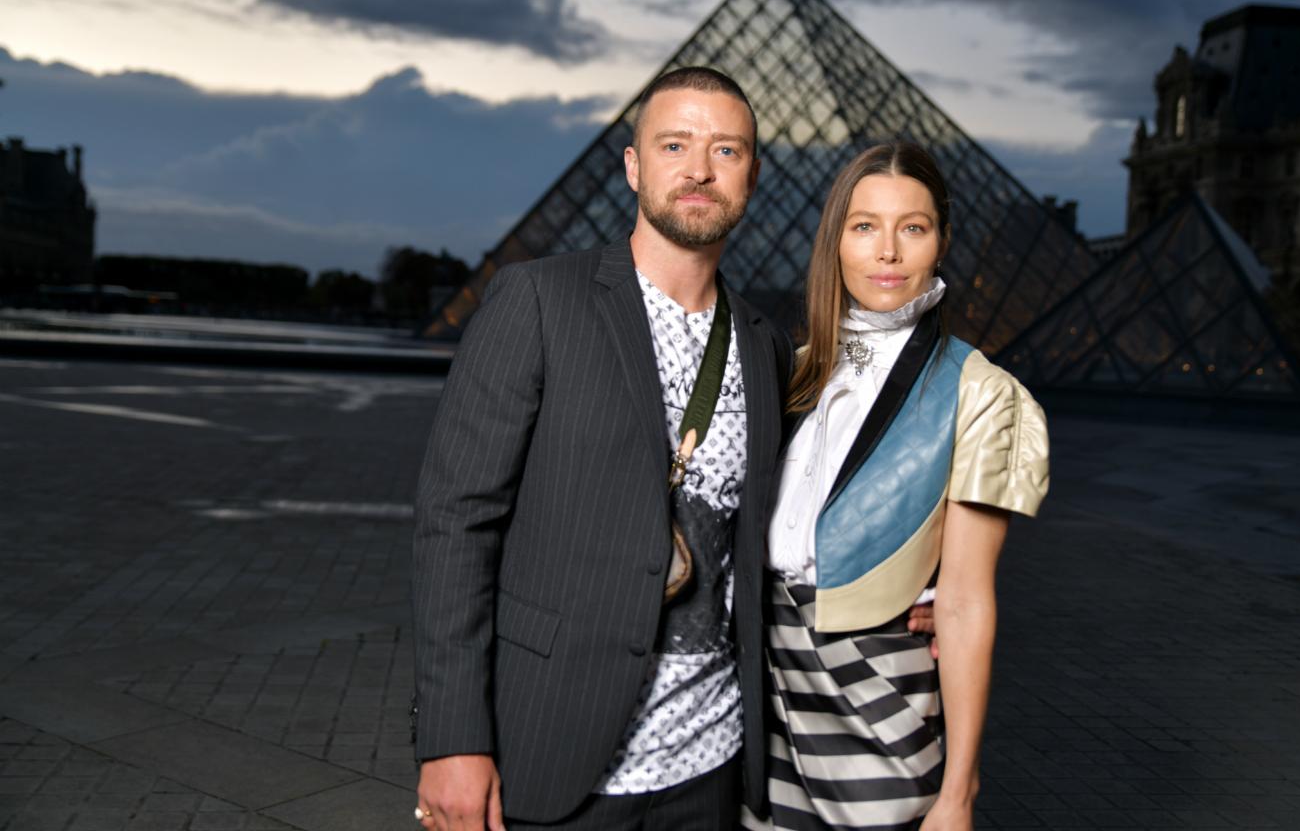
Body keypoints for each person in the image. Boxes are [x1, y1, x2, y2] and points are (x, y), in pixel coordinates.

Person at [410, 66, 789, 831]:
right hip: (553, 755)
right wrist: (451, 737)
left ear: (751, 174)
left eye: (727, 150)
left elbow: (777, 536)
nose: (699, 170)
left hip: (712, 764)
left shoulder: (765, 344)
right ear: (632, 166)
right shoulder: (540, 299)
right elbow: (455, 522)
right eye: (674, 143)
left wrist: (914, 610)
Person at [741, 142, 1050, 831]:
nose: (888, 251)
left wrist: (958, 795)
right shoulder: (786, 373)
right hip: (760, 697)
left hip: (875, 692)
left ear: (939, 242)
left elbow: (967, 602)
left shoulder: (979, 391)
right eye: (864, 226)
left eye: (912, 227)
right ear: (836, 242)